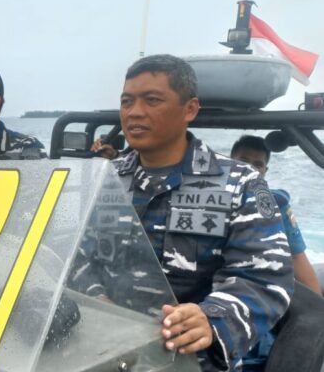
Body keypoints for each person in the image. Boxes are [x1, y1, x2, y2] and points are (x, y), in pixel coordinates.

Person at [112, 54, 294, 371]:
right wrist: (90, 297)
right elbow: (77, 257)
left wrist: (211, 318)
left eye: (152, 100)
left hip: (188, 360)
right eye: (127, 101)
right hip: (102, 349)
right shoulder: (105, 179)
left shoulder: (243, 183)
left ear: (190, 109)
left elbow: (267, 277)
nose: (135, 112)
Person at [230, 135, 322, 295]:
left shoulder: (277, 204)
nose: (250, 168)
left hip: (260, 286)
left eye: (258, 164)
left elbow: (296, 256)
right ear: (229, 162)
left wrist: (319, 305)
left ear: (264, 171)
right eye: (243, 161)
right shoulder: (205, 198)